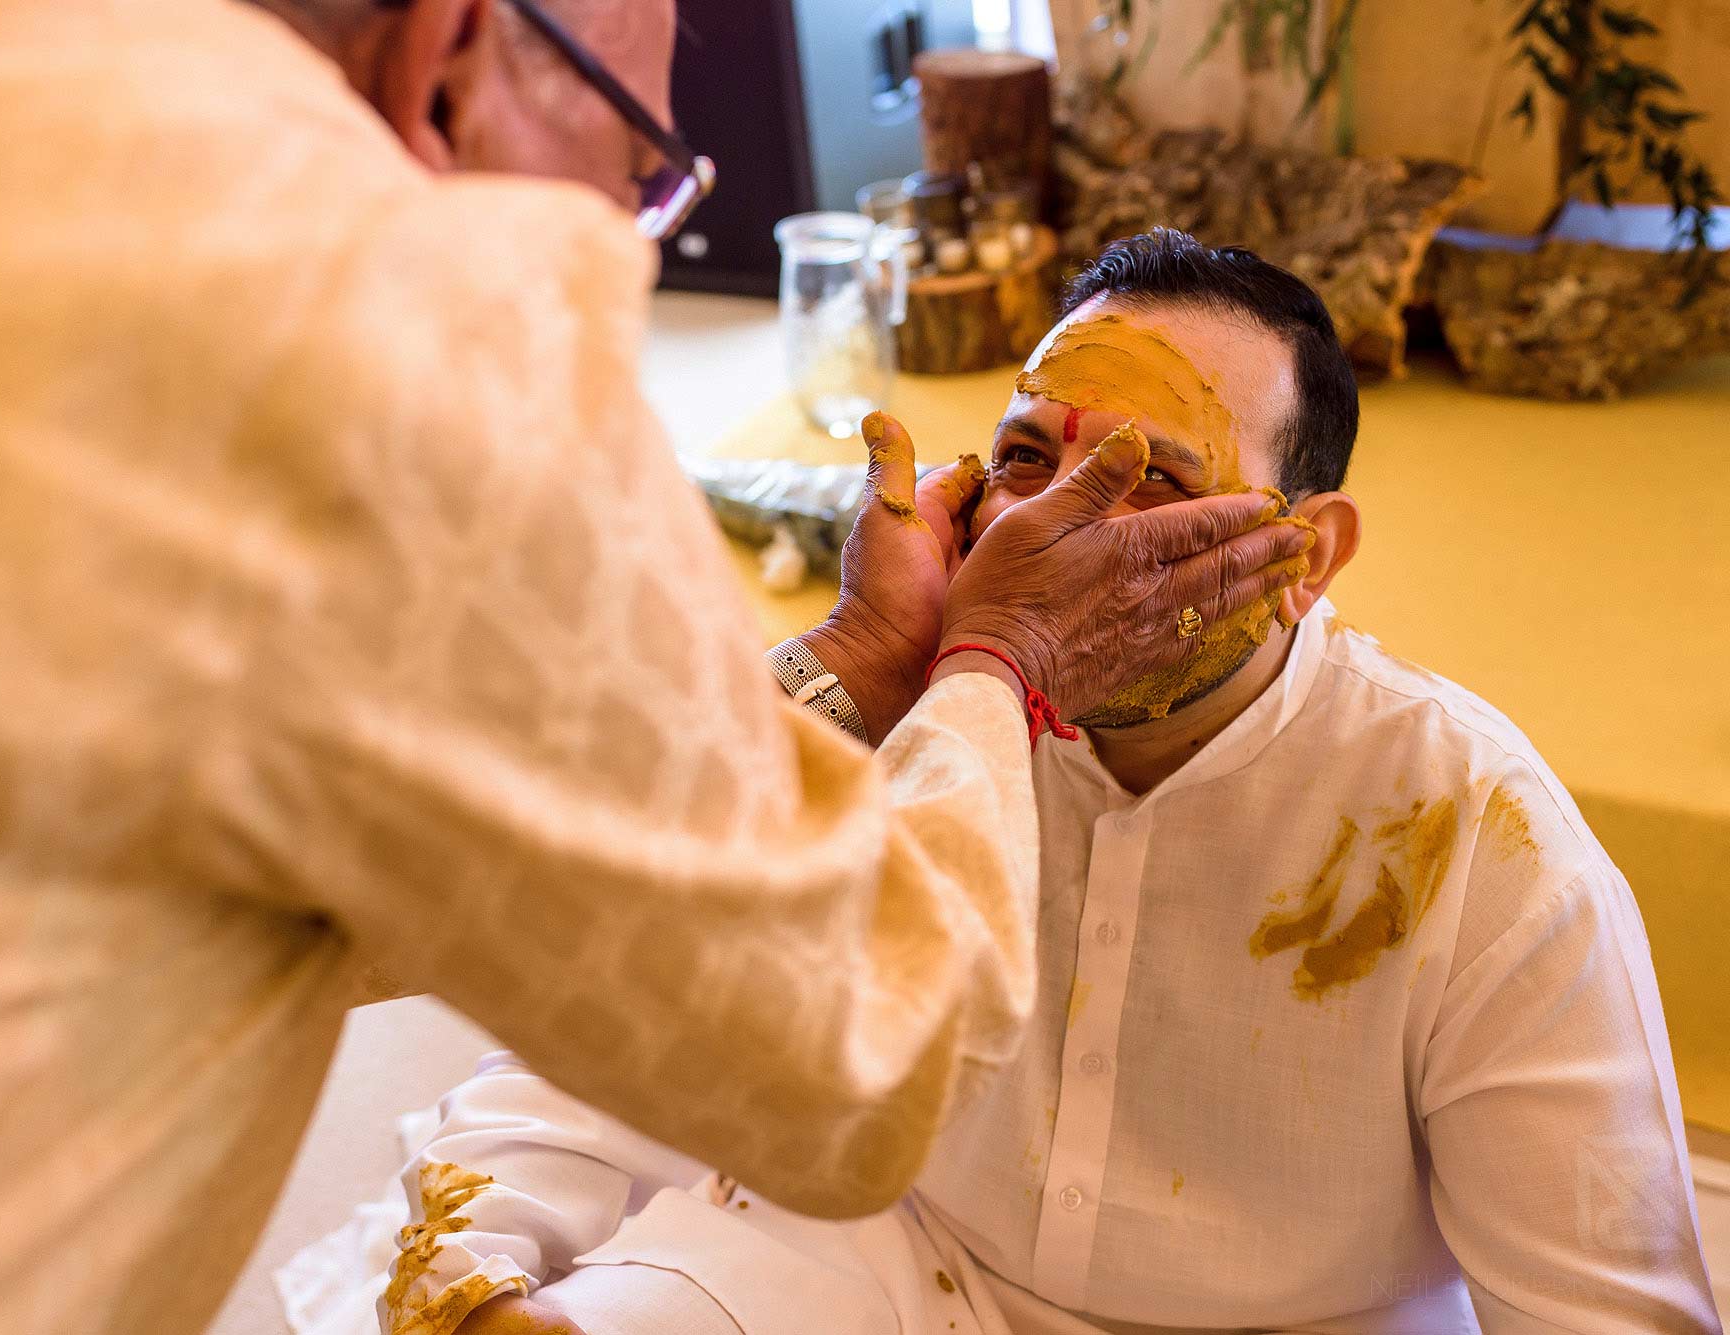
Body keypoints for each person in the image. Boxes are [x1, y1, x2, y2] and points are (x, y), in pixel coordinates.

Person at [0, 4, 1314, 1334]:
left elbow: (415, 799)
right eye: (641, 167)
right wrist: (1004, 663)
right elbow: (863, 1054)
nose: (1047, 518)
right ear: (446, 61)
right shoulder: (387, 316)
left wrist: (862, 665)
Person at [369, 232, 1722, 1335]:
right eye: (1027, 459)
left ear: (1306, 555)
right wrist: (474, 1277)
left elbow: (1606, 1310)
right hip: (891, 1268)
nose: (1050, 529)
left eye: (1147, 477)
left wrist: (990, 661)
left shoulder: (1467, 828)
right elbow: (614, 1012)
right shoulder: (922, 698)